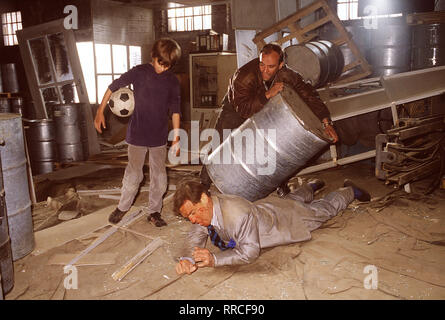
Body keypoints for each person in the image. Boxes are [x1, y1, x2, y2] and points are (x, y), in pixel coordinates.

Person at [200, 42, 338, 197]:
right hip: (237, 108)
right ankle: (203, 183)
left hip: (267, 108)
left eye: (270, 66)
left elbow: (309, 96)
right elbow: (244, 109)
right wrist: (268, 94)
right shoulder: (244, 76)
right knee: (220, 143)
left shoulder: (287, 75)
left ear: (281, 65)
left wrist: (326, 122)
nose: (265, 70)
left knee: (274, 147)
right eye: (261, 65)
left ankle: (279, 183)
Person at [173, 178, 370, 275]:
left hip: (283, 221)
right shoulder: (206, 210)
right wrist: (187, 259)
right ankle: (310, 187)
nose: (192, 219)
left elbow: (249, 253)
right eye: (187, 216)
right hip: (266, 208)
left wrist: (214, 259)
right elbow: (196, 234)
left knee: (321, 211)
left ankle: (349, 190)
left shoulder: (237, 215)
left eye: (192, 213)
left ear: (204, 199)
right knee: (291, 200)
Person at [94, 38, 182, 227]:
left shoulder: (172, 81)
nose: (164, 68)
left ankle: (154, 212)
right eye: (161, 63)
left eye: (168, 66)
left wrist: (176, 136)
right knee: (134, 175)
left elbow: (175, 110)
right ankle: (122, 207)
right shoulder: (139, 72)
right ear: (153, 56)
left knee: (159, 178)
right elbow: (114, 86)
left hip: (158, 137)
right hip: (137, 136)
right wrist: (100, 111)